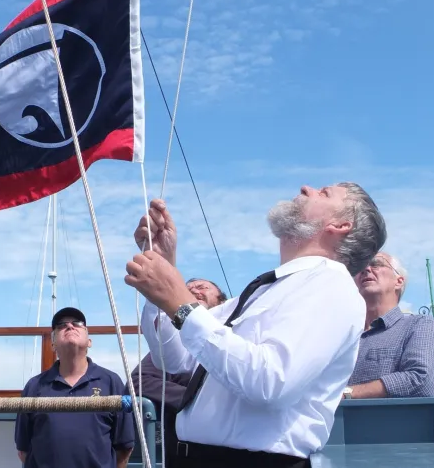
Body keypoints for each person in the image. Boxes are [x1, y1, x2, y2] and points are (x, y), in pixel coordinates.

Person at [124, 183, 386, 468]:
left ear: (340, 225)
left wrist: (182, 305)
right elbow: (174, 360)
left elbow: (271, 382)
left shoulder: (332, 285)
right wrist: (165, 276)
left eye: (324, 192)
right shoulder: (265, 292)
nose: (306, 187)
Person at [14, 307, 135, 468]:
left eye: (77, 323)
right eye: (61, 325)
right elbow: (24, 450)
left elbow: (124, 447)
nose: (70, 326)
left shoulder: (111, 382)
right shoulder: (34, 387)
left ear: (89, 341)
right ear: (52, 344)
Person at [130, 278, 227, 464]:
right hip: (189, 452)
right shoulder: (175, 344)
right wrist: (196, 397)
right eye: (188, 290)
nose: (194, 291)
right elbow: (138, 382)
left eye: (202, 287)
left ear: (222, 301)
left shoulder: (240, 334)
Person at [346, 252, 434, 398]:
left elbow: (421, 380)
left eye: (376, 264)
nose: (366, 269)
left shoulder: (420, 325)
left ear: (398, 281)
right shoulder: (342, 336)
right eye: (360, 267)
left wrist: (347, 393)